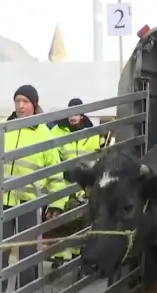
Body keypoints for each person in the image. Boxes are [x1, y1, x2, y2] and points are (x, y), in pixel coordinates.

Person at [0, 84, 67, 293]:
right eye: (17, 101)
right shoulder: (1, 129)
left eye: (25, 101)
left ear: (34, 103)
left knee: (27, 252)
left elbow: (55, 171)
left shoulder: (45, 133)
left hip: (30, 203)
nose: (20, 106)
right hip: (3, 201)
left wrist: (57, 203)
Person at [45, 98, 101, 267]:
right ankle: (59, 254)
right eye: (70, 113)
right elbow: (52, 155)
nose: (72, 117)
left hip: (82, 182)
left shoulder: (92, 132)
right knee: (59, 218)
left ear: (82, 114)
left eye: (76, 113)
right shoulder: (56, 130)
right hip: (62, 181)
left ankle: (77, 252)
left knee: (81, 218)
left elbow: (95, 156)